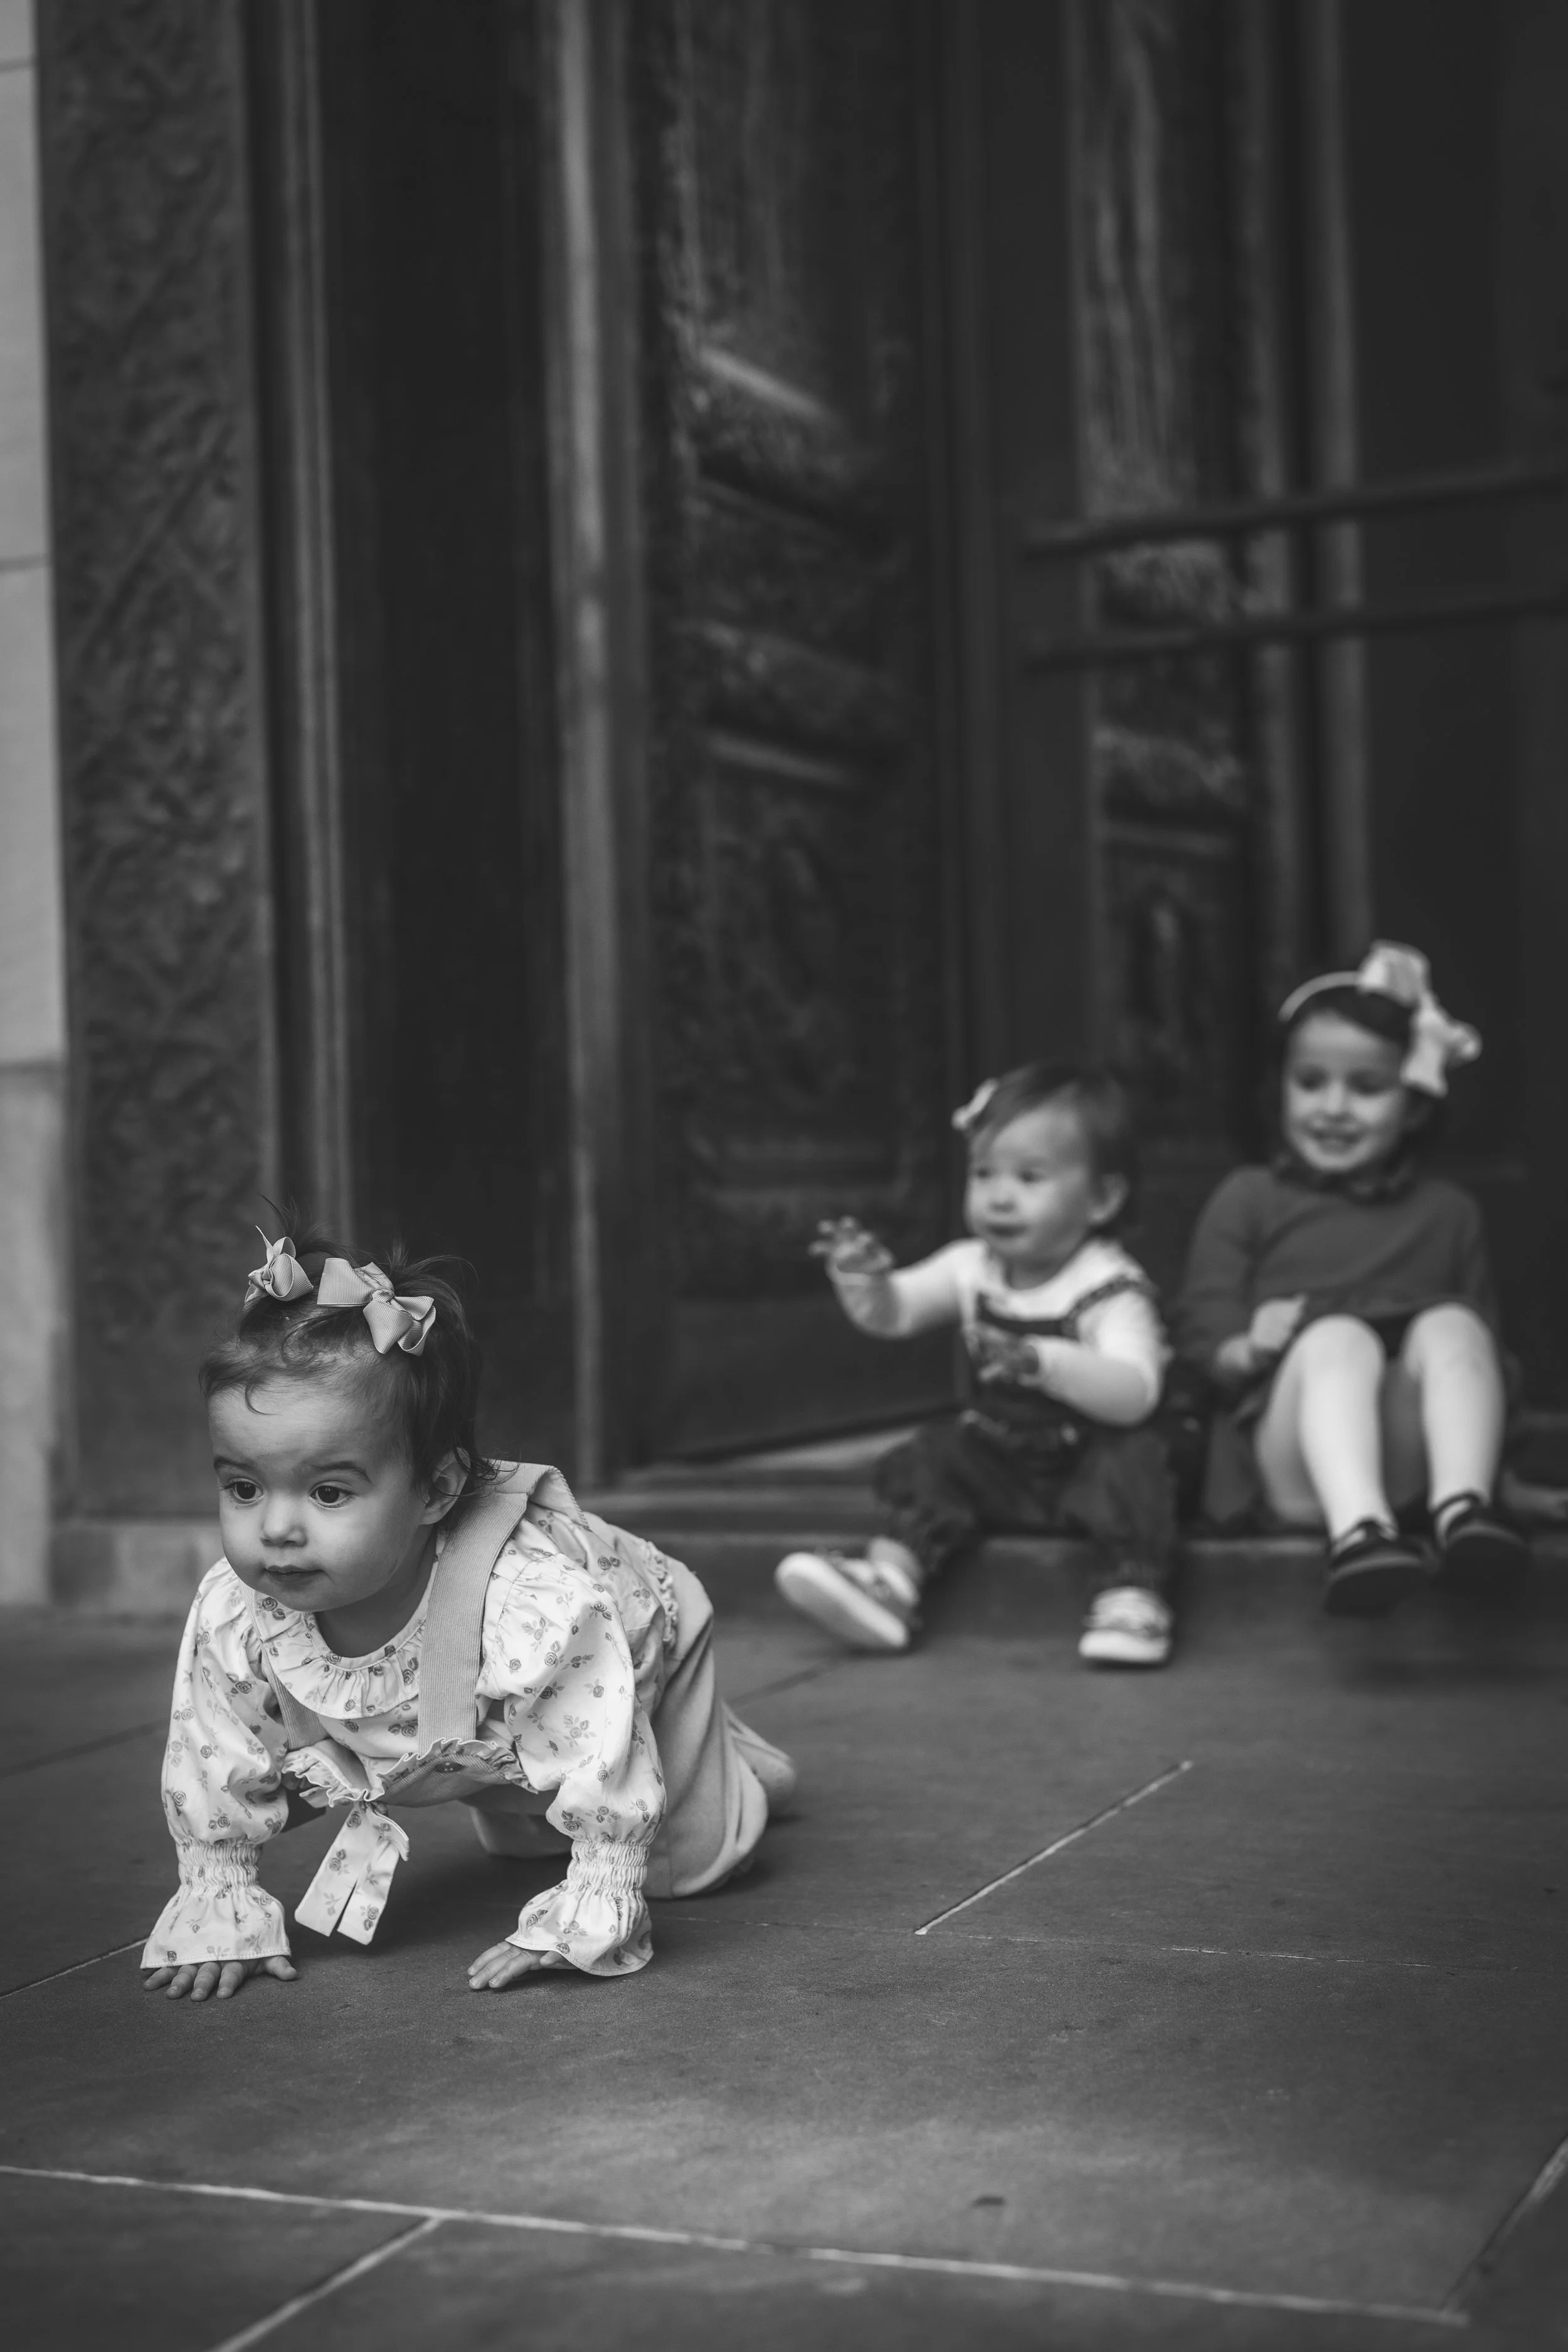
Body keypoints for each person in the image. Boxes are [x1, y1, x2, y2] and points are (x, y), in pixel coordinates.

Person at [141, 1229, 793, 2003]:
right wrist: (221, 1900)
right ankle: (677, 1761)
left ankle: (735, 1771)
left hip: (627, 1644)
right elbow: (212, 1750)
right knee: (528, 1829)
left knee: (683, 1865)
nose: (276, 1529)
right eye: (245, 1488)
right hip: (493, 1713)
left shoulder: (533, 1606)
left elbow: (596, 1758)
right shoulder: (237, 1608)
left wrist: (584, 1914)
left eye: (328, 1493)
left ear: (438, 1490)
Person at [774, 1063, 1179, 1668]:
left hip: (1090, 1456)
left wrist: (1045, 1362)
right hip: (1005, 1458)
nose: (999, 1195)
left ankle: (1130, 1594)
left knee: (1139, 1462)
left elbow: (1136, 1393)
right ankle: (891, 1584)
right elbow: (899, 1313)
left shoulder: (1111, 1287)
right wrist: (865, 1278)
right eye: (984, 1172)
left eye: (1029, 1177)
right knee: (935, 1457)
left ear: (1102, 1198)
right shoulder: (973, 1265)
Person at [1179, 941, 1527, 1614]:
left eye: (1367, 1088)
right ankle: (1358, 1534)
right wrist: (1248, 1346)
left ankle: (1464, 1509)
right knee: (1338, 1339)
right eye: (1310, 1083)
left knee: (1456, 1325)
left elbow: (1486, 1374)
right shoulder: (1248, 1198)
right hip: (1295, 1469)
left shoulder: (1449, 1215)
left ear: (1416, 1103)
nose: (1334, 1107)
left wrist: (1510, 1478)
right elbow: (1198, 1346)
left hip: (1411, 1470)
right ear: (1280, 1085)